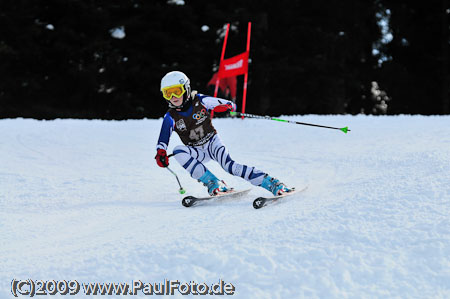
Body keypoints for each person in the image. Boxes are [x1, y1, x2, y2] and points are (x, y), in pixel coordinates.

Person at [155, 71, 291, 196]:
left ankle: (272, 183)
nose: (173, 97)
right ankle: (213, 183)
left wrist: (226, 106)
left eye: (177, 91)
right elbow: (163, 138)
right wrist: (161, 152)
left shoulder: (200, 100)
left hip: (212, 143)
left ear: (186, 88)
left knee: (229, 167)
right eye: (168, 93)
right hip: (197, 150)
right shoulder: (170, 116)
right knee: (178, 151)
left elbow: (230, 105)